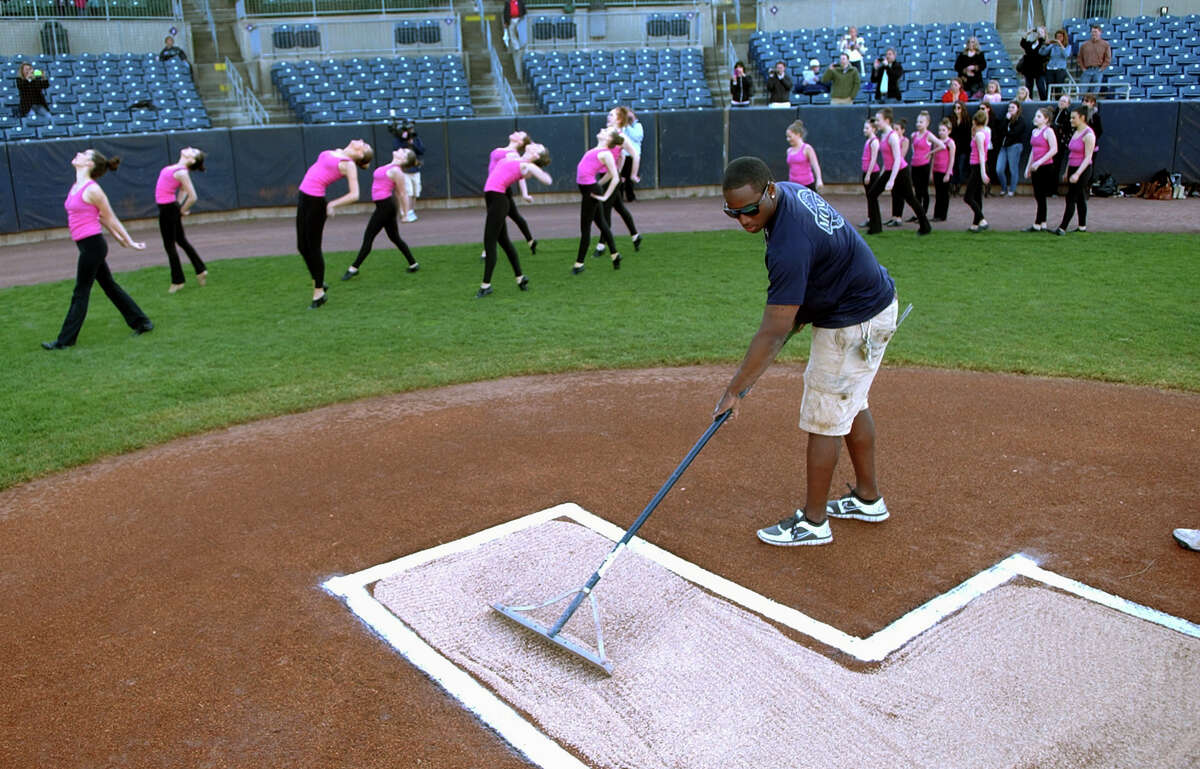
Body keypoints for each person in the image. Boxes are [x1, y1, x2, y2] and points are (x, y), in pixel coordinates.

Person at [716, 155, 901, 547]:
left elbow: (774, 329)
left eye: (750, 210)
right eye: (734, 213)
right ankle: (868, 499)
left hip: (855, 321)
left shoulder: (787, 242)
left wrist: (734, 391)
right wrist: (803, 313)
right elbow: (818, 272)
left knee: (824, 415)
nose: (745, 220)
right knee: (852, 404)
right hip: (871, 304)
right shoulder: (789, 194)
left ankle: (813, 523)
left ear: (768, 190)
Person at [42, 149, 152, 350]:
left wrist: (128, 241)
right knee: (109, 286)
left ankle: (65, 341)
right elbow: (99, 217)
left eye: (84, 154)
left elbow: (110, 217)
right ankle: (142, 322)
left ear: (90, 164)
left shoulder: (93, 190)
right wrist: (119, 239)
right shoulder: (76, 186)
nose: (78, 153)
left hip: (93, 246)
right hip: (88, 245)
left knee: (81, 291)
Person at [296, 139, 373, 309]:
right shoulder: (337, 151)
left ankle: (319, 294)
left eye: (364, 144)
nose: (361, 140)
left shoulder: (349, 164)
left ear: (360, 154)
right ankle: (319, 280)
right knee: (302, 246)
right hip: (304, 197)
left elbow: (355, 195)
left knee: (313, 248)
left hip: (316, 202)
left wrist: (332, 204)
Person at [477, 142, 551, 298]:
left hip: (499, 201)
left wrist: (535, 168)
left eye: (538, 146)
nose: (535, 144)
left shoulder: (526, 166)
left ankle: (486, 285)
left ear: (536, 155)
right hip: (493, 199)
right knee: (504, 242)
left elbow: (547, 180)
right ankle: (520, 278)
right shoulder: (514, 156)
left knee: (489, 242)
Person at [342, 147, 419, 282]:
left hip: (385, 207)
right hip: (383, 206)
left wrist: (406, 214)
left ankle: (353, 268)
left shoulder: (396, 171)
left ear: (404, 159)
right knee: (395, 238)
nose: (400, 149)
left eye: (404, 151)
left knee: (369, 237)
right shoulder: (389, 166)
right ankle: (413, 264)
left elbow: (402, 193)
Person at [866, 108, 930, 236]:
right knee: (872, 194)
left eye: (879, 120)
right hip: (890, 170)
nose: (876, 122)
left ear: (887, 121)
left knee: (910, 198)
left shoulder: (892, 136)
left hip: (901, 171)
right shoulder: (883, 135)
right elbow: (887, 160)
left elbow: (897, 159)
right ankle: (875, 227)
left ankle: (925, 226)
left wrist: (891, 180)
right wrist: (885, 174)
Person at [478, 130, 538, 261]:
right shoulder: (504, 150)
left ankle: (488, 250)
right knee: (514, 216)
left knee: (497, 220)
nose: (516, 132)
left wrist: (525, 194)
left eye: (519, 134)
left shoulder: (513, 155)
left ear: (520, 142)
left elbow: (520, 174)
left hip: (501, 191)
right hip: (494, 189)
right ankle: (531, 241)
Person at [155, 146, 207, 294]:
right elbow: (183, 189)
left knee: (169, 245)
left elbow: (193, 196)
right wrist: (178, 205)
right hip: (170, 208)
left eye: (194, 151)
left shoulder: (181, 172)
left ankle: (177, 281)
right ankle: (200, 269)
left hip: (167, 210)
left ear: (192, 160)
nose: (190, 148)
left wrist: (182, 209)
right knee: (181, 241)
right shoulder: (177, 169)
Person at [573, 127, 623, 274]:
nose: (602, 129)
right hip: (590, 189)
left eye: (606, 131)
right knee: (601, 223)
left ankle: (579, 263)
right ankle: (615, 255)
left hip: (591, 192)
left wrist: (605, 196)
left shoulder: (606, 153)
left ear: (608, 139)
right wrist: (598, 186)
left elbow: (615, 176)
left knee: (585, 228)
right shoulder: (596, 149)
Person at [595, 106, 643, 254]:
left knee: (605, 210)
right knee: (619, 208)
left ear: (619, 119)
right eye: (608, 114)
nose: (608, 117)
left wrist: (632, 174)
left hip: (610, 178)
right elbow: (620, 156)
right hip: (606, 175)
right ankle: (635, 236)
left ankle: (602, 246)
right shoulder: (607, 133)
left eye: (611, 115)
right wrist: (619, 170)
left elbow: (635, 154)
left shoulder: (620, 137)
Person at [1052, 106, 1095, 235]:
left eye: (1073, 118)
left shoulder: (1089, 134)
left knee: (1071, 197)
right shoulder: (1075, 132)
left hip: (1082, 169)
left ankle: (1062, 227)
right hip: (1073, 167)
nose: (1071, 120)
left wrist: (1077, 173)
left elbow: (1088, 157)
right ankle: (1082, 226)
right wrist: (1067, 171)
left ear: (1082, 118)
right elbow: (1071, 154)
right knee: (1080, 197)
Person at [1022, 106, 1059, 232]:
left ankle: (1038, 223)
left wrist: (1039, 162)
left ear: (1046, 119)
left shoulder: (1048, 131)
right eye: (1036, 116)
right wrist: (1028, 166)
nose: (1035, 118)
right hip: (1036, 167)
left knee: (1041, 195)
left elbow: (1054, 149)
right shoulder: (1034, 132)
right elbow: (1033, 150)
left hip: (1046, 167)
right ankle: (1042, 223)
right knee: (1038, 195)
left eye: (1039, 117)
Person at [907, 111, 945, 221]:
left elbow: (942, 145)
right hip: (915, 165)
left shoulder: (928, 135)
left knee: (923, 190)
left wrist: (930, 153)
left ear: (927, 123)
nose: (918, 124)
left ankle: (923, 213)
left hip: (924, 166)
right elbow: (913, 148)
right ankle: (918, 213)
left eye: (921, 122)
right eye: (917, 122)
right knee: (917, 191)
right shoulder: (913, 135)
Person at [389, 118, 424, 221]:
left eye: (412, 127)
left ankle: (411, 211)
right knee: (407, 191)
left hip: (415, 169)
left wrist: (412, 143)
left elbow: (421, 150)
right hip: (405, 170)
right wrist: (404, 141)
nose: (411, 130)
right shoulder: (398, 139)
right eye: (409, 128)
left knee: (415, 192)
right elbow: (396, 150)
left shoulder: (415, 138)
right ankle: (405, 211)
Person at [963, 108, 991, 232]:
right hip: (977, 165)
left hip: (977, 166)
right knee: (977, 196)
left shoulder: (980, 135)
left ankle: (982, 219)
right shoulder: (984, 132)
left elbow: (981, 153)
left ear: (975, 121)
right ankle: (975, 224)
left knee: (968, 197)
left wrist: (983, 172)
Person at [996, 101, 1029, 197]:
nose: (1010, 109)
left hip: (1014, 146)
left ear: (1018, 109)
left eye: (1013, 107)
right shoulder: (1006, 119)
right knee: (999, 169)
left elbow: (1014, 133)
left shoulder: (1020, 120)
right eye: (1009, 107)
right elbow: (999, 130)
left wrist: (1005, 132)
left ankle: (1012, 190)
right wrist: (1006, 120)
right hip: (1003, 146)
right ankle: (1004, 188)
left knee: (1013, 169)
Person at [613, 105, 643, 203]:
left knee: (630, 179)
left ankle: (631, 197)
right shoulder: (622, 127)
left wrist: (628, 126)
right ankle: (619, 198)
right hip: (623, 155)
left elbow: (637, 137)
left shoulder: (638, 126)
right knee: (621, 177)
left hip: (632, 156)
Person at [784, 120, 823, 192]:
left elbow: (815, 165)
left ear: (798, 135)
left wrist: (819, 180)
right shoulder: (789, 151)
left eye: (790, 137)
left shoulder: (807, 148)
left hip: (807, 185)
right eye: (787, 137)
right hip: (793, 185)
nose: (788, 139)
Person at [930, 118, 956, 222]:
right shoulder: (937, 142)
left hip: (944, 171)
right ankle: (936, 215)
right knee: (938, 194)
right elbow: (934, 157)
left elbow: (952, 158)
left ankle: (942, 215)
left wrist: (948, 173)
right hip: (936, 170)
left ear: (949, 131)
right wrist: (932, 171)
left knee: (944, 194)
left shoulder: (950, 143)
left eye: (943, 130)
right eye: (940, 130)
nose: (941, 132)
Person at [1076, 25, 1111, 92]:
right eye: (1092, 32)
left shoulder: (1105, 44)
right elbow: (1079, 58)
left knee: (1095, 90)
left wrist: (1101, 69)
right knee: (1082, 89)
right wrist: (1083, 68)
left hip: (1098, 69)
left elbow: (1108, 58)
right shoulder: (1084, 45)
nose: (1093, 33)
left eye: (1095, 32)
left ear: (1100, 32)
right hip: (1087, 70)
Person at [1018, 26, 1049, 101]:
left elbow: (1043, 49)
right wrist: (1029, 32)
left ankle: (1044, 102)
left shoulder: (1045, 45)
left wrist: (1043, 34)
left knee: (1041, 88)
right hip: (1029, 69)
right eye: (1038, 32)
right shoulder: (1031, 44)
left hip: (1039, 69)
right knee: (1028, 88)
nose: (1039, 34)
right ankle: (1029, 101)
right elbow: (1023, 43)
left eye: (1041, 32)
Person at [860, 119, 880, 227]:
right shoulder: (868, 140)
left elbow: (873, 159)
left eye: (867, 128)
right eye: (864, 128)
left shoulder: (874, 141)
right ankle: (870, 218)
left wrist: (868, 174)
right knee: (869, 197)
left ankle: (873, 219)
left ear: (874, 129)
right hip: (866, 172)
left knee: (872, 197)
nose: (864, 130)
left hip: (872, 173)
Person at [949, 101, 972, 193]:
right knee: (953, 166)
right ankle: (953, 184)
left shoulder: (967, 120)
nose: (956, 110)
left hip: (964, 148)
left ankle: (959, 184)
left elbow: (968, 135)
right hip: (953, 147)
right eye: (955, 108)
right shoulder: (951, 119)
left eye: (959, 108)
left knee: (961, 166)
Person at [1042, 29, 1071, 98]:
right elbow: (1043, 52)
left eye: (1060, 37)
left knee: (1058, 90)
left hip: (1060, 70)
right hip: (1050, 68)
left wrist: (1060, 45)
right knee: (1049, 89)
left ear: (1064, 38)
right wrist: (1045, 44)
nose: (1058, 38)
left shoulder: (1068, 46)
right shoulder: (1053, 46)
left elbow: (1066, 55)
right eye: (1057, 37)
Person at [1052, 93, 1073, 184]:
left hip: (1060, 144)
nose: (1061, 102)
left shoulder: (1067, 115)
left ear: (1068, 104)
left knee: (1056, 165)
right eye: (1060, 100)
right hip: (1049, 142)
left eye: (1064, 101)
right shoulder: (1053, 111)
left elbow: (1067, 129)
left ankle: (1053, 189)